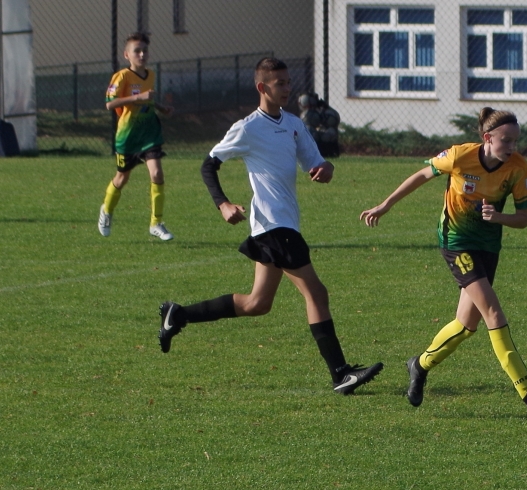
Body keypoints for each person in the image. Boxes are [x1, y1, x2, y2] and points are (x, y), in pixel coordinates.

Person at [158, 57, 383, 395]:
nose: (288, 88)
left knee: (257, 304)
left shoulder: (294, 123)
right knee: (316, 293)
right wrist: (223, 204)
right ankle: (340, 373)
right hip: (273, 225)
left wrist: (326, 170)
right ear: (262, 87)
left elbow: (318, 162)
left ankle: (178, 315)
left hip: (281, 225)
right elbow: (209, 165)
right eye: (280, 83)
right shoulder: (248, 128)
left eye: (289, 82)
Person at [360, 107, 527, 418]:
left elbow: (523, 220)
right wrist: (385, 205)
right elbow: (421, 175)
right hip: (456, 244)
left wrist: (499, 217)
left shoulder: (519, 169)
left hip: (488, 246)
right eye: (506, 141)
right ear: (487, 138)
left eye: (515, 141)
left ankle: (420, 364)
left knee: (467, 325)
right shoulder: (459, 156)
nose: (512, 147)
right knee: (492, 311)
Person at [100, 32, 175, 240]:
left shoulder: (150, 75)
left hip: (149, 132)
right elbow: (109, 103)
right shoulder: (122, 76)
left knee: (157, 174)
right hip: (128, 136)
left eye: (145, 50)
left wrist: (160, 107)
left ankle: (156, 223)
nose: (142, 54)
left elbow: (147, 101)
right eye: (137, 51)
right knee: (122, 177)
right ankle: (106, 210)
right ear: (127, 55)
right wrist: (138, 96)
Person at [297, 93, 340, 158]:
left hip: (323, 134)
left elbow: (335, 119)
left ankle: (329, 152)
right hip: (312, 132)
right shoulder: (306, 116)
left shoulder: (327, 112)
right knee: (309, 130)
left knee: (330, 131)